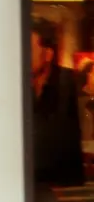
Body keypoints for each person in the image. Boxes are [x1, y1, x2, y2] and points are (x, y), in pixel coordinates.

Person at [30, 17, 85, 188]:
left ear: (48, 54)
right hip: (30, 185)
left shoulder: (66, 83)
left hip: (62, 185)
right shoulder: (17, 85)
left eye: (29, 49)